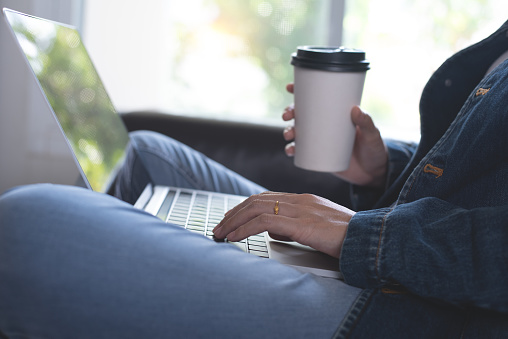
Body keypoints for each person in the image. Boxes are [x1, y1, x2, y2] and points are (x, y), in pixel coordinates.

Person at [1, 19, 508, 339]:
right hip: (401, 249)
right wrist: (385, 170)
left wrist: (365, 235)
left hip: (419, 309)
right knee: (145, 153)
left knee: (25, 226)